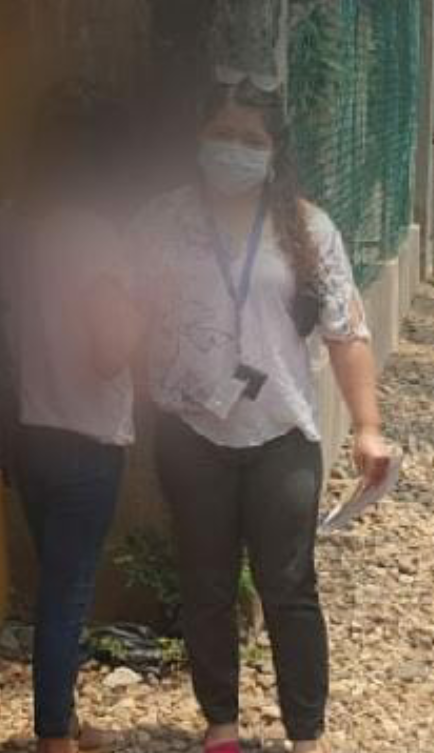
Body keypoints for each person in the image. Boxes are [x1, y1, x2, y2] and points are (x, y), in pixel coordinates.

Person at [131, 69, 394, 753]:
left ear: (275, 151)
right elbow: (126, 316)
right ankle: (221, 724)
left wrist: (367, 426)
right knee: (206, 583)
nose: (236, 149)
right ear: (198, 138)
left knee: (290, 586)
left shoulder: (308, 227)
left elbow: (347, 332)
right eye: (223, 133)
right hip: (190, 431)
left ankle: (305, 734)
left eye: (252, 139)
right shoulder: (160, 222)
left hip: (282, 430)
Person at [0, 82, 143, 753]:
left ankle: (65, 717)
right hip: (87, 435)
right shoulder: (97, 236)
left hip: (25, 429)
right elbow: (110, 353)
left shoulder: (7, 223)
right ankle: (55, 735)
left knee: (55, 584)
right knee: (67, 593)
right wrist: (146, 312)